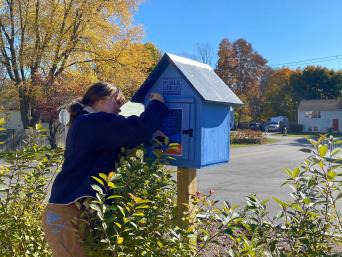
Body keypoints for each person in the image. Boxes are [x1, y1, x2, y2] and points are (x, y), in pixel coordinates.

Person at [42, 82, 168, 257]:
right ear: (102, 99)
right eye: (117, 103)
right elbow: (137, 129)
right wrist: (158, 104)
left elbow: (127, 138)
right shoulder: (92, 122)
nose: (119, 110)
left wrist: (150, 136)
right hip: (67, 217)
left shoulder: (87, 123)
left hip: (69, 215)